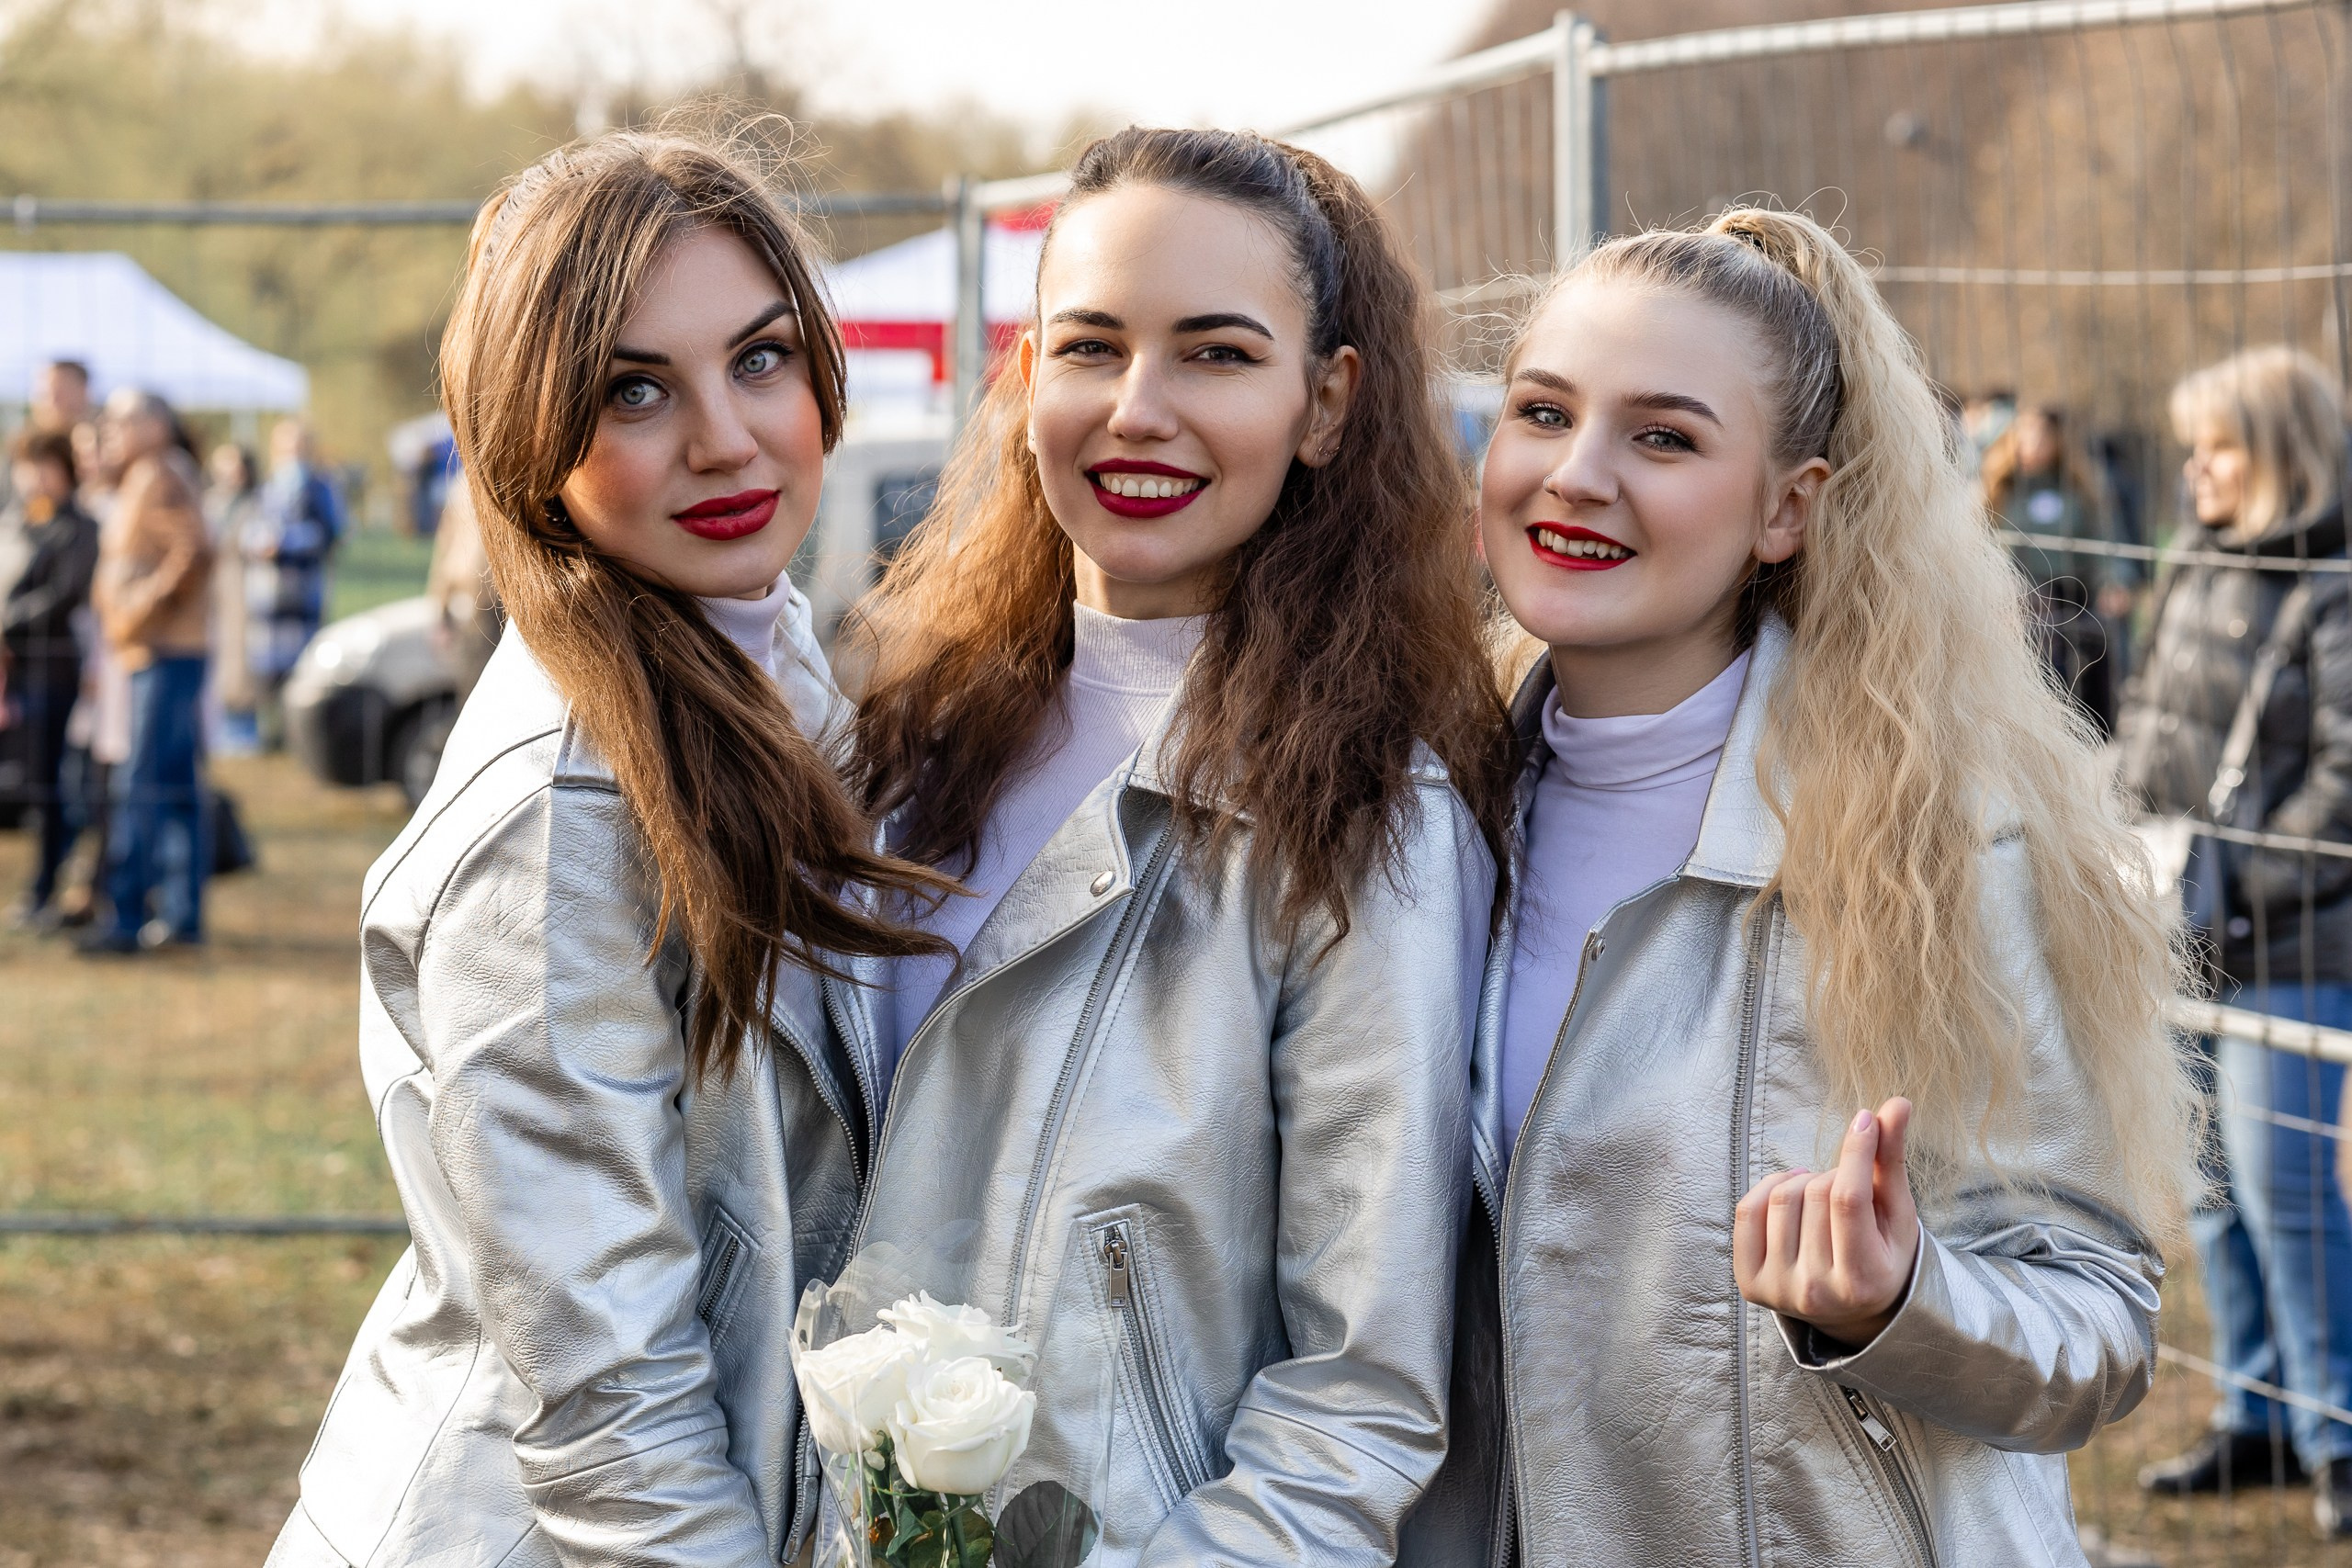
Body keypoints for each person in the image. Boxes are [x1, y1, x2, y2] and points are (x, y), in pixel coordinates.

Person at [1437, 209, 2194, 1564]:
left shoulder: (1938, 838)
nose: (1577, 475)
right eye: (1542, 412)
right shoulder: (1425, 814)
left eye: (1663, 437)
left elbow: (2099, 1317)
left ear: (1789, 504)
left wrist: (1903, 1296)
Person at [265, 130, 956, 1567]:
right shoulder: (561, 813)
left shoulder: (765, 671)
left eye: (760, 359)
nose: (724, 437)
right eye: (633, 389)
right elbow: (609, 1422)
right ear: (530, 441)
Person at [842, 127, 1513, 1564]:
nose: (1138, 409)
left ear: (1325, 403)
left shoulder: (1369, 819)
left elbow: (1358, 1399)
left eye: (1215, 354)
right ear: (1024, 374)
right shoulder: (901, 736)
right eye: (1090, 347)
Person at [2119, 345, 2352, 1531]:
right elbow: (2155, 720)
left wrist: (2240, 881)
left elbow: (2345, 780)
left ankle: (2338, 1432)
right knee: (2209, 1186)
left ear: (2281, 455)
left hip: (2291, 943)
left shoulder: (2337, 582)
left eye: (2219, 445)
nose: (2195, 466)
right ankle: (2257, 1416)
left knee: (2289, 1187)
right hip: (2188, 926)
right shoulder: (2197, 562)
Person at [84, 389, 212, 953]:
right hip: (158, 652)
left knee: (141, 785)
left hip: (163, 651)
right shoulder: (145, 474)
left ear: (158, 424)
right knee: (175, 785)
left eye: (126, 418)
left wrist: (141, 609)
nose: (113, 427)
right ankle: (182, 916)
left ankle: (126, 918)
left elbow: (194, 550)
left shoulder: (160, 472)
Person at [1982, 403, 2135, 733]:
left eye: (2041, 437)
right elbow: (1984, 547)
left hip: (2076, 596)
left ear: (2058, 441)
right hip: (2023, 595)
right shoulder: (1998, 490)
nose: (2033, 445)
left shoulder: (2082, 491)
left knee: (2090, 668)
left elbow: (2105, 540)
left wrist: (2114, 582)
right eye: (2025, 436)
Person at [2, 428, 99, 927]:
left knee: (47, 783)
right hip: (12, 670)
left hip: (51, 669)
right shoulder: (16, 523)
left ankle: (46, 887)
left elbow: (63, 597)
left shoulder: (80, 528)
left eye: (46, 466)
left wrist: (7, 619)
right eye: (28, 465)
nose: (35, 477)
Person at [243, 418, 344, 745]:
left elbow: (332, 534)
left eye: (299, 447)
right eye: (287, 447)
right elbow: (247, 531)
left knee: (300, 669)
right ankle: (268, 732)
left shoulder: (322, 488)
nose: (293, 454)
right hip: (267, 601)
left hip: (302, 597)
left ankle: (299, 735)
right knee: (266, 670)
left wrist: (286, 543)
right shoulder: (267, 488)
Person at [204, 443, 263, 752]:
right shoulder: (211, 502)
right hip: (214, 586)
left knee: (242, 653)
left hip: (242, 584)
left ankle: (244, 725)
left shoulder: (255, 503)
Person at [28, 358, 93, 436]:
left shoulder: (103, 442)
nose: (53, 401)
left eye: (60, 393)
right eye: (45, 395)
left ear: (83, 393)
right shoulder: (27, 444)